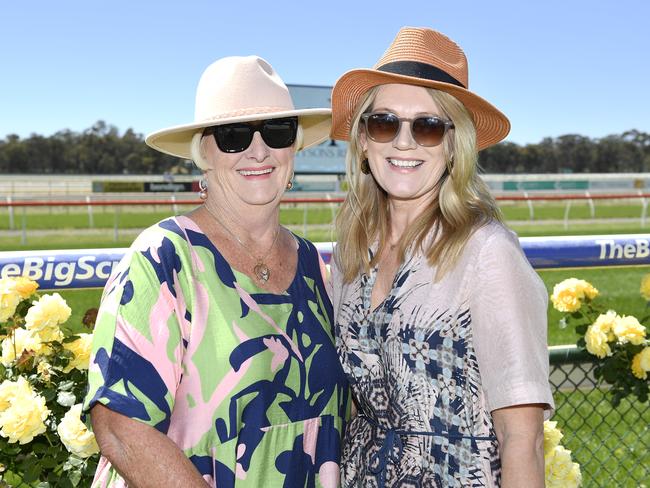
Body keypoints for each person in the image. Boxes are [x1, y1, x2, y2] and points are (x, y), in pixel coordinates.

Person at [84, 55, 350, 487]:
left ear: (294, 147)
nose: (259, 150)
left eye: (277, 132)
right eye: (233, 136)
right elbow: (121, 428)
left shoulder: (314, 268)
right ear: (202, 152)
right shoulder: (164, 258)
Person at [329, 27, 554, 487]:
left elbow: (523, 439)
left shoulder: (487, 253)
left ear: (454, 146)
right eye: (385, 122)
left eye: (428, 127)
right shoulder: (351, 255)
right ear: (364, 142)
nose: (404, 143)